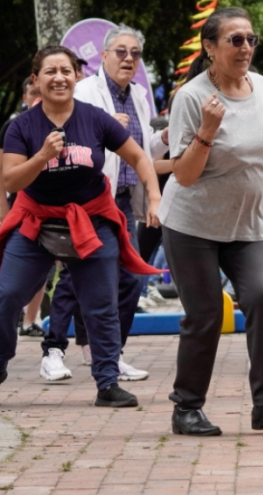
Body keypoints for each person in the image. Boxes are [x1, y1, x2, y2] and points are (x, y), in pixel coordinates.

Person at [0, 45, 162, 408]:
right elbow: (11, 181)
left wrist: (153, 197)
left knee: (101, 305)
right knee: (7, 295)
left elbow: (138, 156)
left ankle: (107, 382)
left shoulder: (95, 118)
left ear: (77, 76)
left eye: (66, 71)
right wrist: (42, 156)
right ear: (36, 80)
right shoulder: (21, 127)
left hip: (91, 219)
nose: (58, 78)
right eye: (50, 72)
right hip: (36, 221)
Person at [159, 7, 263, 436]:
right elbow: (182, 173)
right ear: (210, 48)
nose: (246, 47)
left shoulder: (261, 88)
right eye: (235, 40)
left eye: (251, 39)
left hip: (247, 223)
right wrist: (207, 130)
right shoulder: (192, 98)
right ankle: (187, 408)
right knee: (205, 315)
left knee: (262, 299)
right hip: (192, 225)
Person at [39, 24, 169, 384]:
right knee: (74, 277)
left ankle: (112, 354)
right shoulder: (84, 92)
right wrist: (102, 126)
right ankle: (53, 350)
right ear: (105, 56)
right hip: (87, 199)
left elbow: (141, 149)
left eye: (135, 54)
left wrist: (166, 137)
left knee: (129, 280)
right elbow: (61, 138)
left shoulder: (140, 95)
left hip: (124, 203)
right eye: (121, 52)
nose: (129, 59)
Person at [0, 78, 44, 366]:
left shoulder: (64, 120)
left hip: (53, 210)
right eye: (34, 93)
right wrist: (3, 204)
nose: (39, 98)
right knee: (9, 276)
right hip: (21, 209)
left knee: (44, 275)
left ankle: (30, 322)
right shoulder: (14, 126)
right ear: (25, 96)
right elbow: (1, 169)